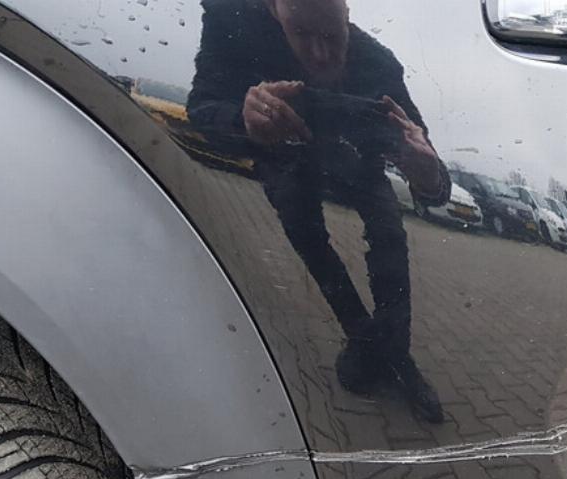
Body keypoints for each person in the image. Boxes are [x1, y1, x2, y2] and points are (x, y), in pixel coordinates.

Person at [188, 0, 449, 422]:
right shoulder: (231, 21)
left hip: (357, 162)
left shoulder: (378, 63)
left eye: (332, 36)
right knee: (308, 238)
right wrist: (243, 118)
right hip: (285, 157)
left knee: (390, 236)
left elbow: (429, 163)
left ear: (347, 14)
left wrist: (427, 174)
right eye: (302, 34)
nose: (319, 53)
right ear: (274, 10)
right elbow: (202, 108)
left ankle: (398, 356)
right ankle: (363, 338)